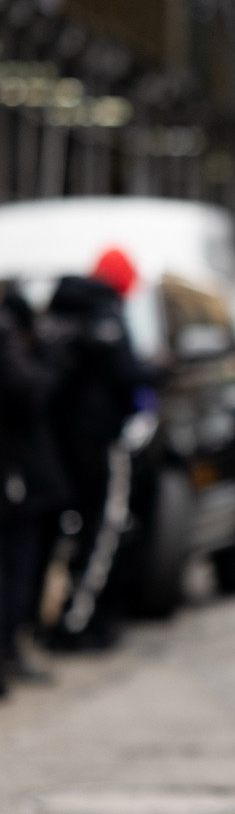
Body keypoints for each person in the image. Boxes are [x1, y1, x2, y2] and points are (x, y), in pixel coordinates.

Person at [40, 269, 142, 651]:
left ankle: (55, 618)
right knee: (102, 530)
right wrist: (156, 374)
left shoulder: (58, 316)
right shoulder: (106, 317)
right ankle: (77, 622)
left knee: (65, 532)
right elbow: (129, 373)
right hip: (100, 443)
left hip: (59, 444)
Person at [0, 288, 65, 686]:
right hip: (14, 479)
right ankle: (7, 649)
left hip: (19, 477)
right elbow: (29, 391)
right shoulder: (7, 342)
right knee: (15, 569)